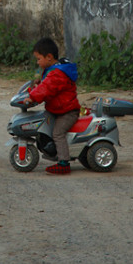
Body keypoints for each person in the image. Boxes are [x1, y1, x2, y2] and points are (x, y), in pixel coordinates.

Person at [24, 37, 80, 175]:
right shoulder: (52, 70)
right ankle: (49, 150)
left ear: (49, 57)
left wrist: (32, 96)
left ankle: (63, 163)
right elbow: (45, 86)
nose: (37, 62)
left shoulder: (57, 73)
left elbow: (47, 88)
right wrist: (35, 86)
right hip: (56, 110)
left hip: (67, 112)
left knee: (58, 133)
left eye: (38, 59)